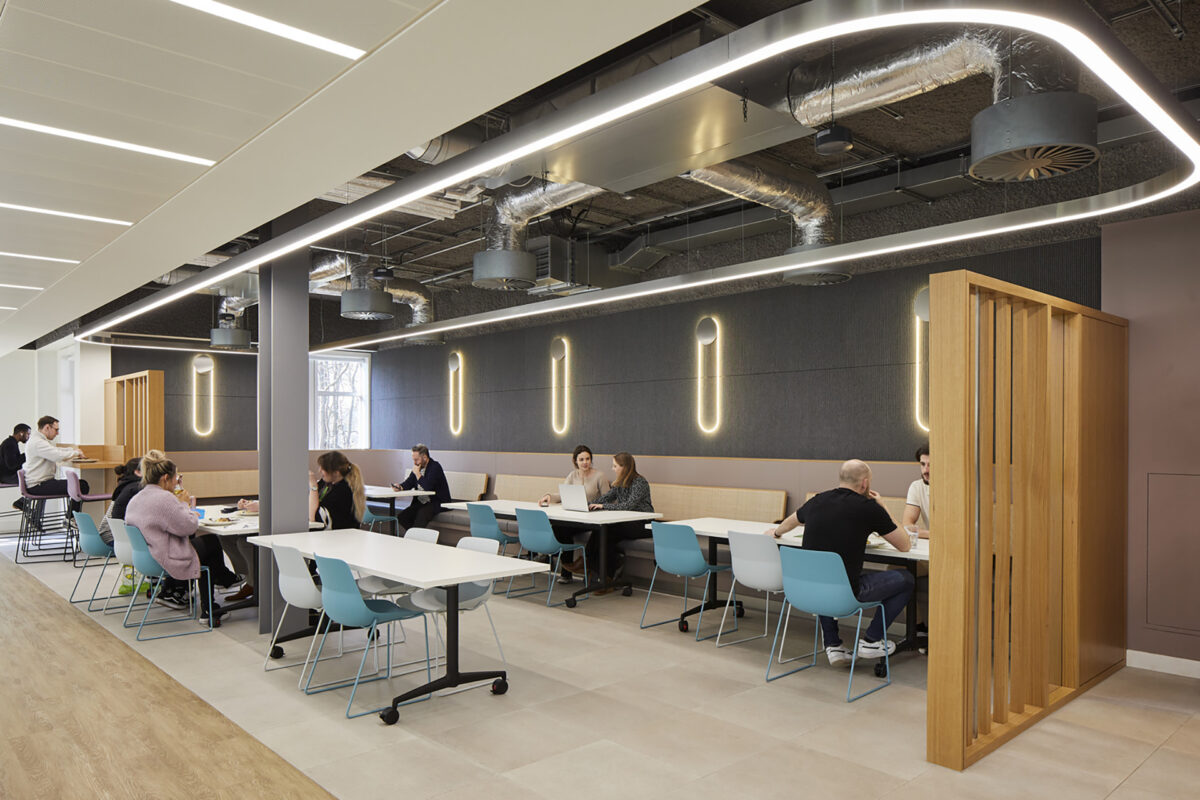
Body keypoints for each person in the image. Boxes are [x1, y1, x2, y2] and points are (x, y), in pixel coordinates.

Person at [770, 459, 914, 666]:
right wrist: (883, 507)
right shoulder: (869, 508)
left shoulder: (817, 500)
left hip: (808, 592)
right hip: (846, 596)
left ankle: (833, 645)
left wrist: (776, 532)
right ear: (865, 483)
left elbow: (790, 522)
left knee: (824, 575)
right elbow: (905, 545)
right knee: (907, 579)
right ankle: (872, 640)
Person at [124, 452, 238, 624]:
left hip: (145, 556)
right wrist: (184, 504)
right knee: (211, 542)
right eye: (176, 478)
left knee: (205, 549)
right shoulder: (164, 499)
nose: (176, 482)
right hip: (162, 557)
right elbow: (189, 526)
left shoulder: (137, 498)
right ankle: (218, 591)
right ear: (165, 478)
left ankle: (214, 599)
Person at [539, 445, 610, 576]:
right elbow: (563, 494)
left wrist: (596, 506)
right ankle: (566, 570)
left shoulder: (600, 476)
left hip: (592, 519)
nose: (585, 462)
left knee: (562, 529)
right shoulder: (572, 475)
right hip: (575, 518)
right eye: (581, 459)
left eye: (587, 459)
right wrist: (549, 496)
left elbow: (608, 499)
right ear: (575, 461)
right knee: (559, 527)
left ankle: (567, 568)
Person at [589, 452, 654, 588]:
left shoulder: (639, 482)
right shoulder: (619, 483)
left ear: (624, 467)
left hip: (643, 525)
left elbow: (629, 505)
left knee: (607, 531)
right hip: (627, 523)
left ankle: (605, 576)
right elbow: (605, 498)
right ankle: (596, 570)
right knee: (602, 530)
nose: (612, 469)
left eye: (615, 466)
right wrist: (588, 505)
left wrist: (603, 506)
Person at [24, 415, 87, 513]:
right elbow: (57, 455)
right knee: (81, 485)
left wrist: (72, 450)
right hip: (39, 486)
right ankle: (71, 517)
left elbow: (55, 450)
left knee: (79, 484)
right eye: (56, 430)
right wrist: (76, 453)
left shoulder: (39, 440)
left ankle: (71, 516)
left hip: (39, 483)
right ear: (47, 427)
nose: (57, 433)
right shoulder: (38, 442)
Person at [391, 444, 450, 532]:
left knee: (421, 515)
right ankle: (416, 535)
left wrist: (418, 474)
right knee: (402, 517)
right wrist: (400, 487)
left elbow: (428, 487)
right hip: (422, 502)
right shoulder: (418, 467)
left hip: (436, 502)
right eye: (413, 460)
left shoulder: (435, 467)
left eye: (416, 460)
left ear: (425, 457)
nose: (415, 463)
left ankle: (416, 535)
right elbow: (409, 482)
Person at [310, 450, 366, 530]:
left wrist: (313, 486)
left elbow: (314, 518)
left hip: (340, 535)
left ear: (336, 473)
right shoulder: (325, 483)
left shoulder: (343, 491)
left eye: (323, 468)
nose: (319, 471)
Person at [96, 456, 146, 545]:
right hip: (114, 538)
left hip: (109, 536)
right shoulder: (135, 488)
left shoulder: (125, 484)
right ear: (138, 472)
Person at [903, 443, 931, 538]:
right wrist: (934, 535)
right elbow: (907, 526)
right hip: (933, 542)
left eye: (931, 465)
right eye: (923, 464)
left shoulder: (955, 489)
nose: (925, 470)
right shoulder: (917, 487)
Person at [2, 423, 31, 509]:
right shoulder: (10, 444)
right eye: (28, 434)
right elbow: (12, 465)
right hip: (6, 476)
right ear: (21, 433)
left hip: (7, 475)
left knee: (33, 478)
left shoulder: (11, 442)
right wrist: (27, 455)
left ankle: (23, 501)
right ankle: (22, 501)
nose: (29, 437)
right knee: (34, 479)